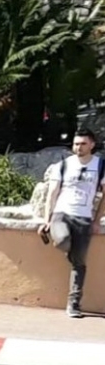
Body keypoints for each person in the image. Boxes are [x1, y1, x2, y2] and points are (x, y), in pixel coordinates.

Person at [39, 128, 105, 317]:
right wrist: (47, 220)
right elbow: (52, 194)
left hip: (84, 218)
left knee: (79, 263)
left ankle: (73, 304)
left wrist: (97, 218)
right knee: (62, 241)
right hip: (62, 214)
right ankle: (69, 252)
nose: (79, 147)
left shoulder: (100, 166)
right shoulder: (62, 165)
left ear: (92, 145)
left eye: (83, 144)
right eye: (76, 144)